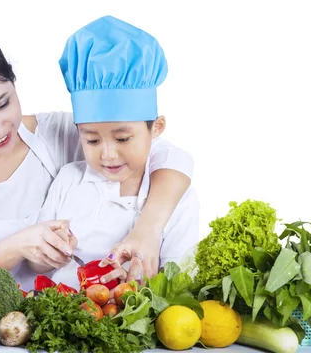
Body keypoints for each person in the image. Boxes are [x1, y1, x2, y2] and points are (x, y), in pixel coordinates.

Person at [0, 30, 194, 291]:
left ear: (14, 83)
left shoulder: (55, 134)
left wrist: (147, 231)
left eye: (3, 104)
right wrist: (12, 249)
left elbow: (163, 153)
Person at [31, 15, 199, 289]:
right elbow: (35, 265)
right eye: (92, 141)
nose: (107, 155)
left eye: (122, 138)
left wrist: (143, 281)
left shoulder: (178, 198)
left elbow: (181, 282)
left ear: (156, 128)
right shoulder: (69, 180)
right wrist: (51, 250)